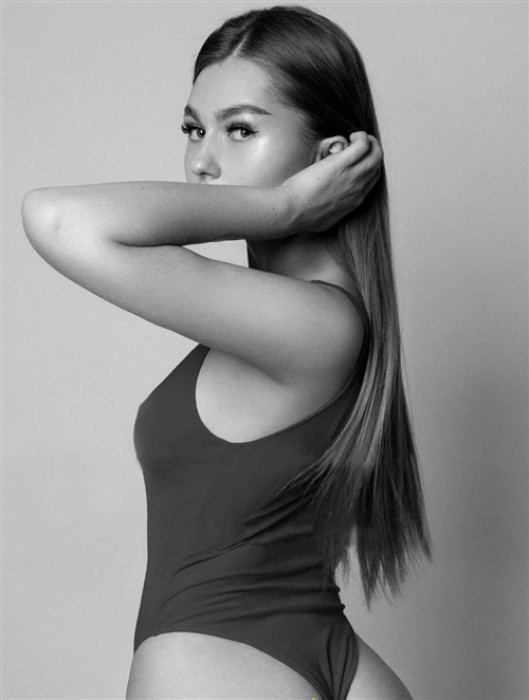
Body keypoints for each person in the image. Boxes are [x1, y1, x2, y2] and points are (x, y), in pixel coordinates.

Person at [21, 4, 432, 699]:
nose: (202, 161)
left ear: (329, 158)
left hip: (220, 661)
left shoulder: (314, 323)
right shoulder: (288, 316)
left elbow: (57, 218)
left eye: (240, 129)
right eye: (193, 129)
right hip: (327, 659)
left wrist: (285, 207)